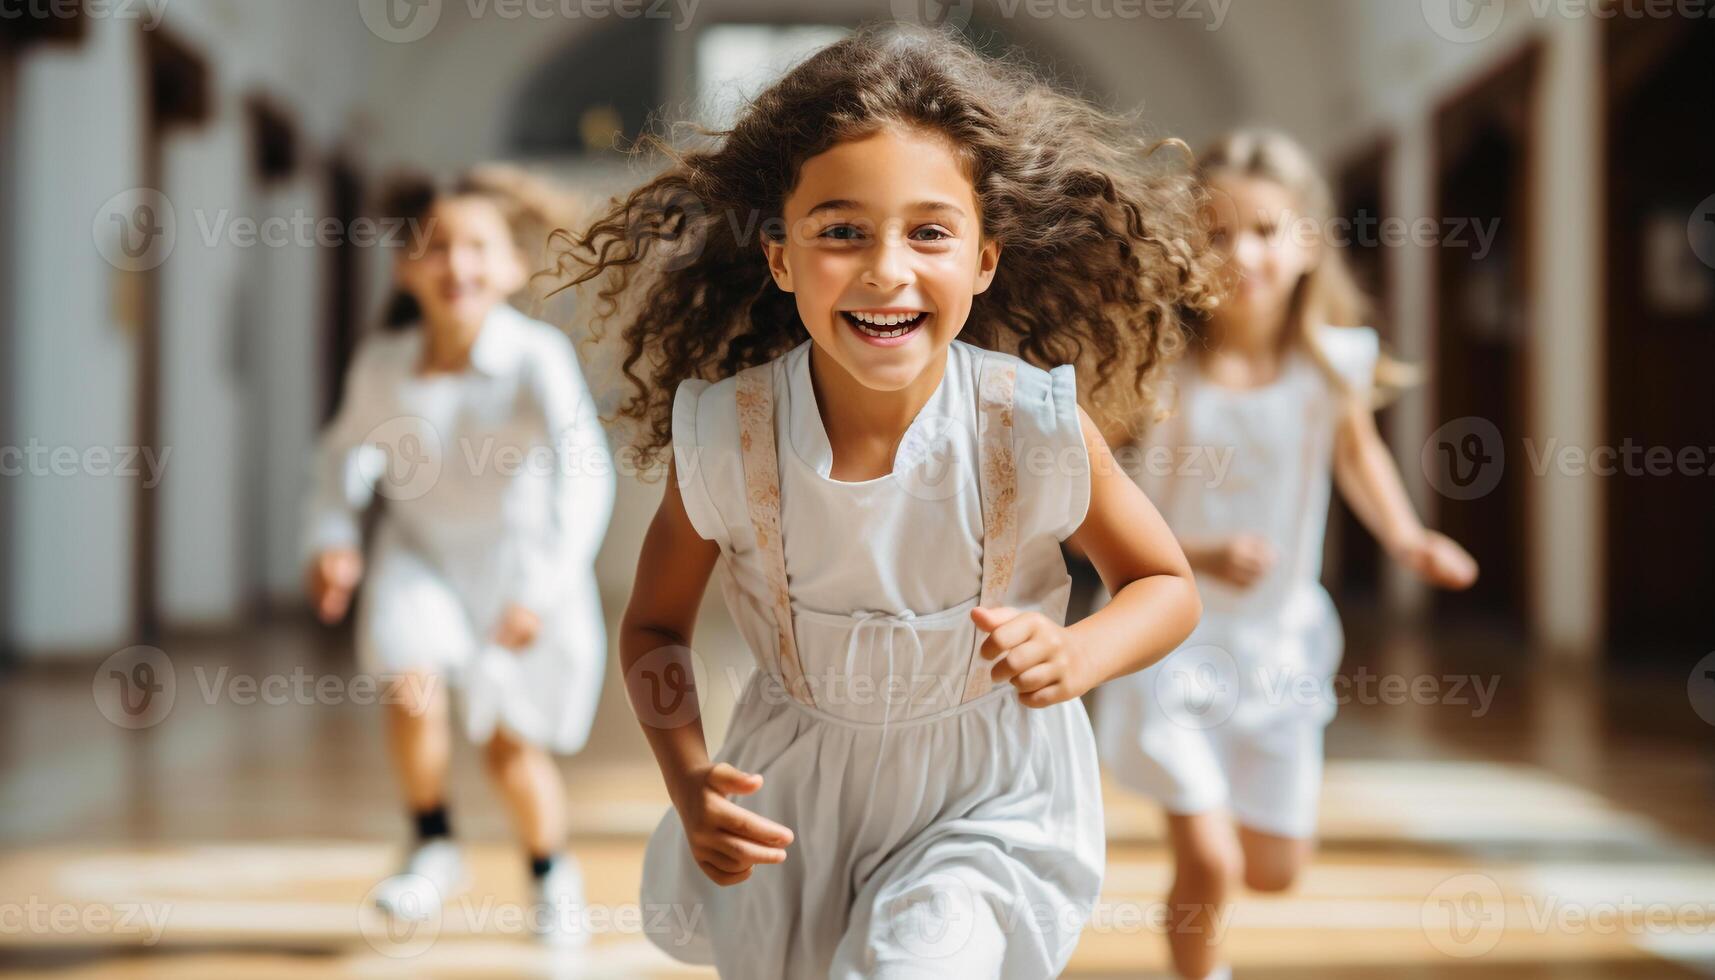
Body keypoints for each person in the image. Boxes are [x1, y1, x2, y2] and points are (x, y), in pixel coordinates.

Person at [555, 24, 1211, 978]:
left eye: (929, 231)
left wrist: (1079, 649)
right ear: (781, 258)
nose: (885, 268)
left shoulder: (1029, 424)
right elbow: (655, 629)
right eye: (841, 230)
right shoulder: (726, 439)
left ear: (983, 259)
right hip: (795, 800)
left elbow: (1164, 583)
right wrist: (689, 777)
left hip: (987, 795)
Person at [1094, 129, 1479, 980]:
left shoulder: (1330, 365)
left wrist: (1407, 536)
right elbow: (1104, 495)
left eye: (1265, 231)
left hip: (1277, 645)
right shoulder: (1164, 371)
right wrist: (1193, 549)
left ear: (1305, 241)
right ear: (1187, 248)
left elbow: (1357, 456)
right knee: (1213, 862)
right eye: (1217, 233)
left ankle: (1219, 836)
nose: (1243, 255)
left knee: (1274, 868)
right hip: (1172, 642)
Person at [303, 169, 613, 945]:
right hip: (420, 556)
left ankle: (549, 873)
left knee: (510, 745)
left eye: (476, 247)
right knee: (411, 687)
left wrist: (543, 588)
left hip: (519, 567)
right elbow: (341, 460)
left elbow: (586, 473)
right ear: (407, 266)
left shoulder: (534, 358)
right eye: (434, 248)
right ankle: (432, 841)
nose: (455, 265)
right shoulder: (382, 363)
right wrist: (333, 538)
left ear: (511, 266)